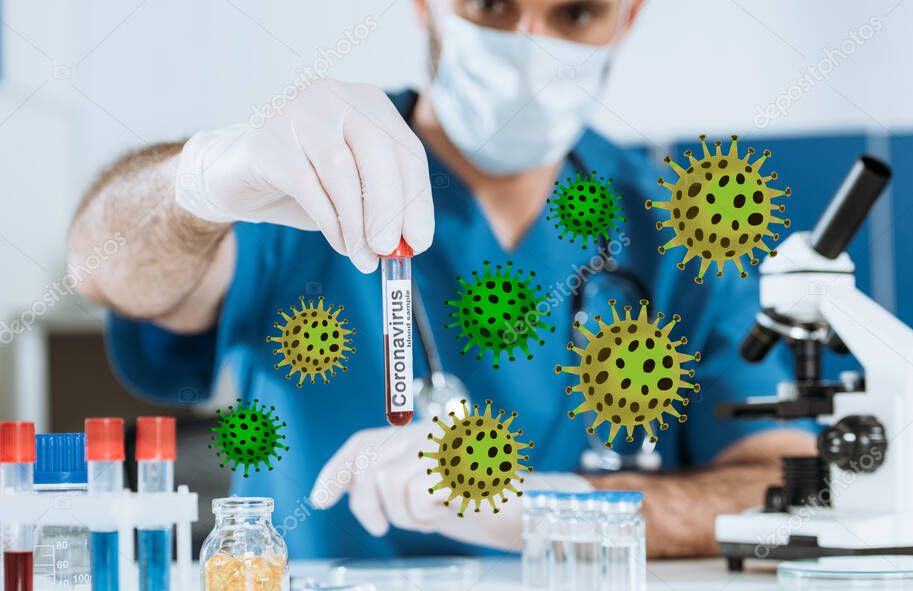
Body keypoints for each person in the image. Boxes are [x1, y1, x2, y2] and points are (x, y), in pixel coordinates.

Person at [68, 0, 815, 560]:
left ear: (628, 17)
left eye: (577, 12)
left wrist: (560, 509)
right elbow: (104, 270)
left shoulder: (673, 230)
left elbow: (783, 486)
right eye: (493, 4)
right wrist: (197, 180)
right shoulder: (305, 180)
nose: (529, 42)